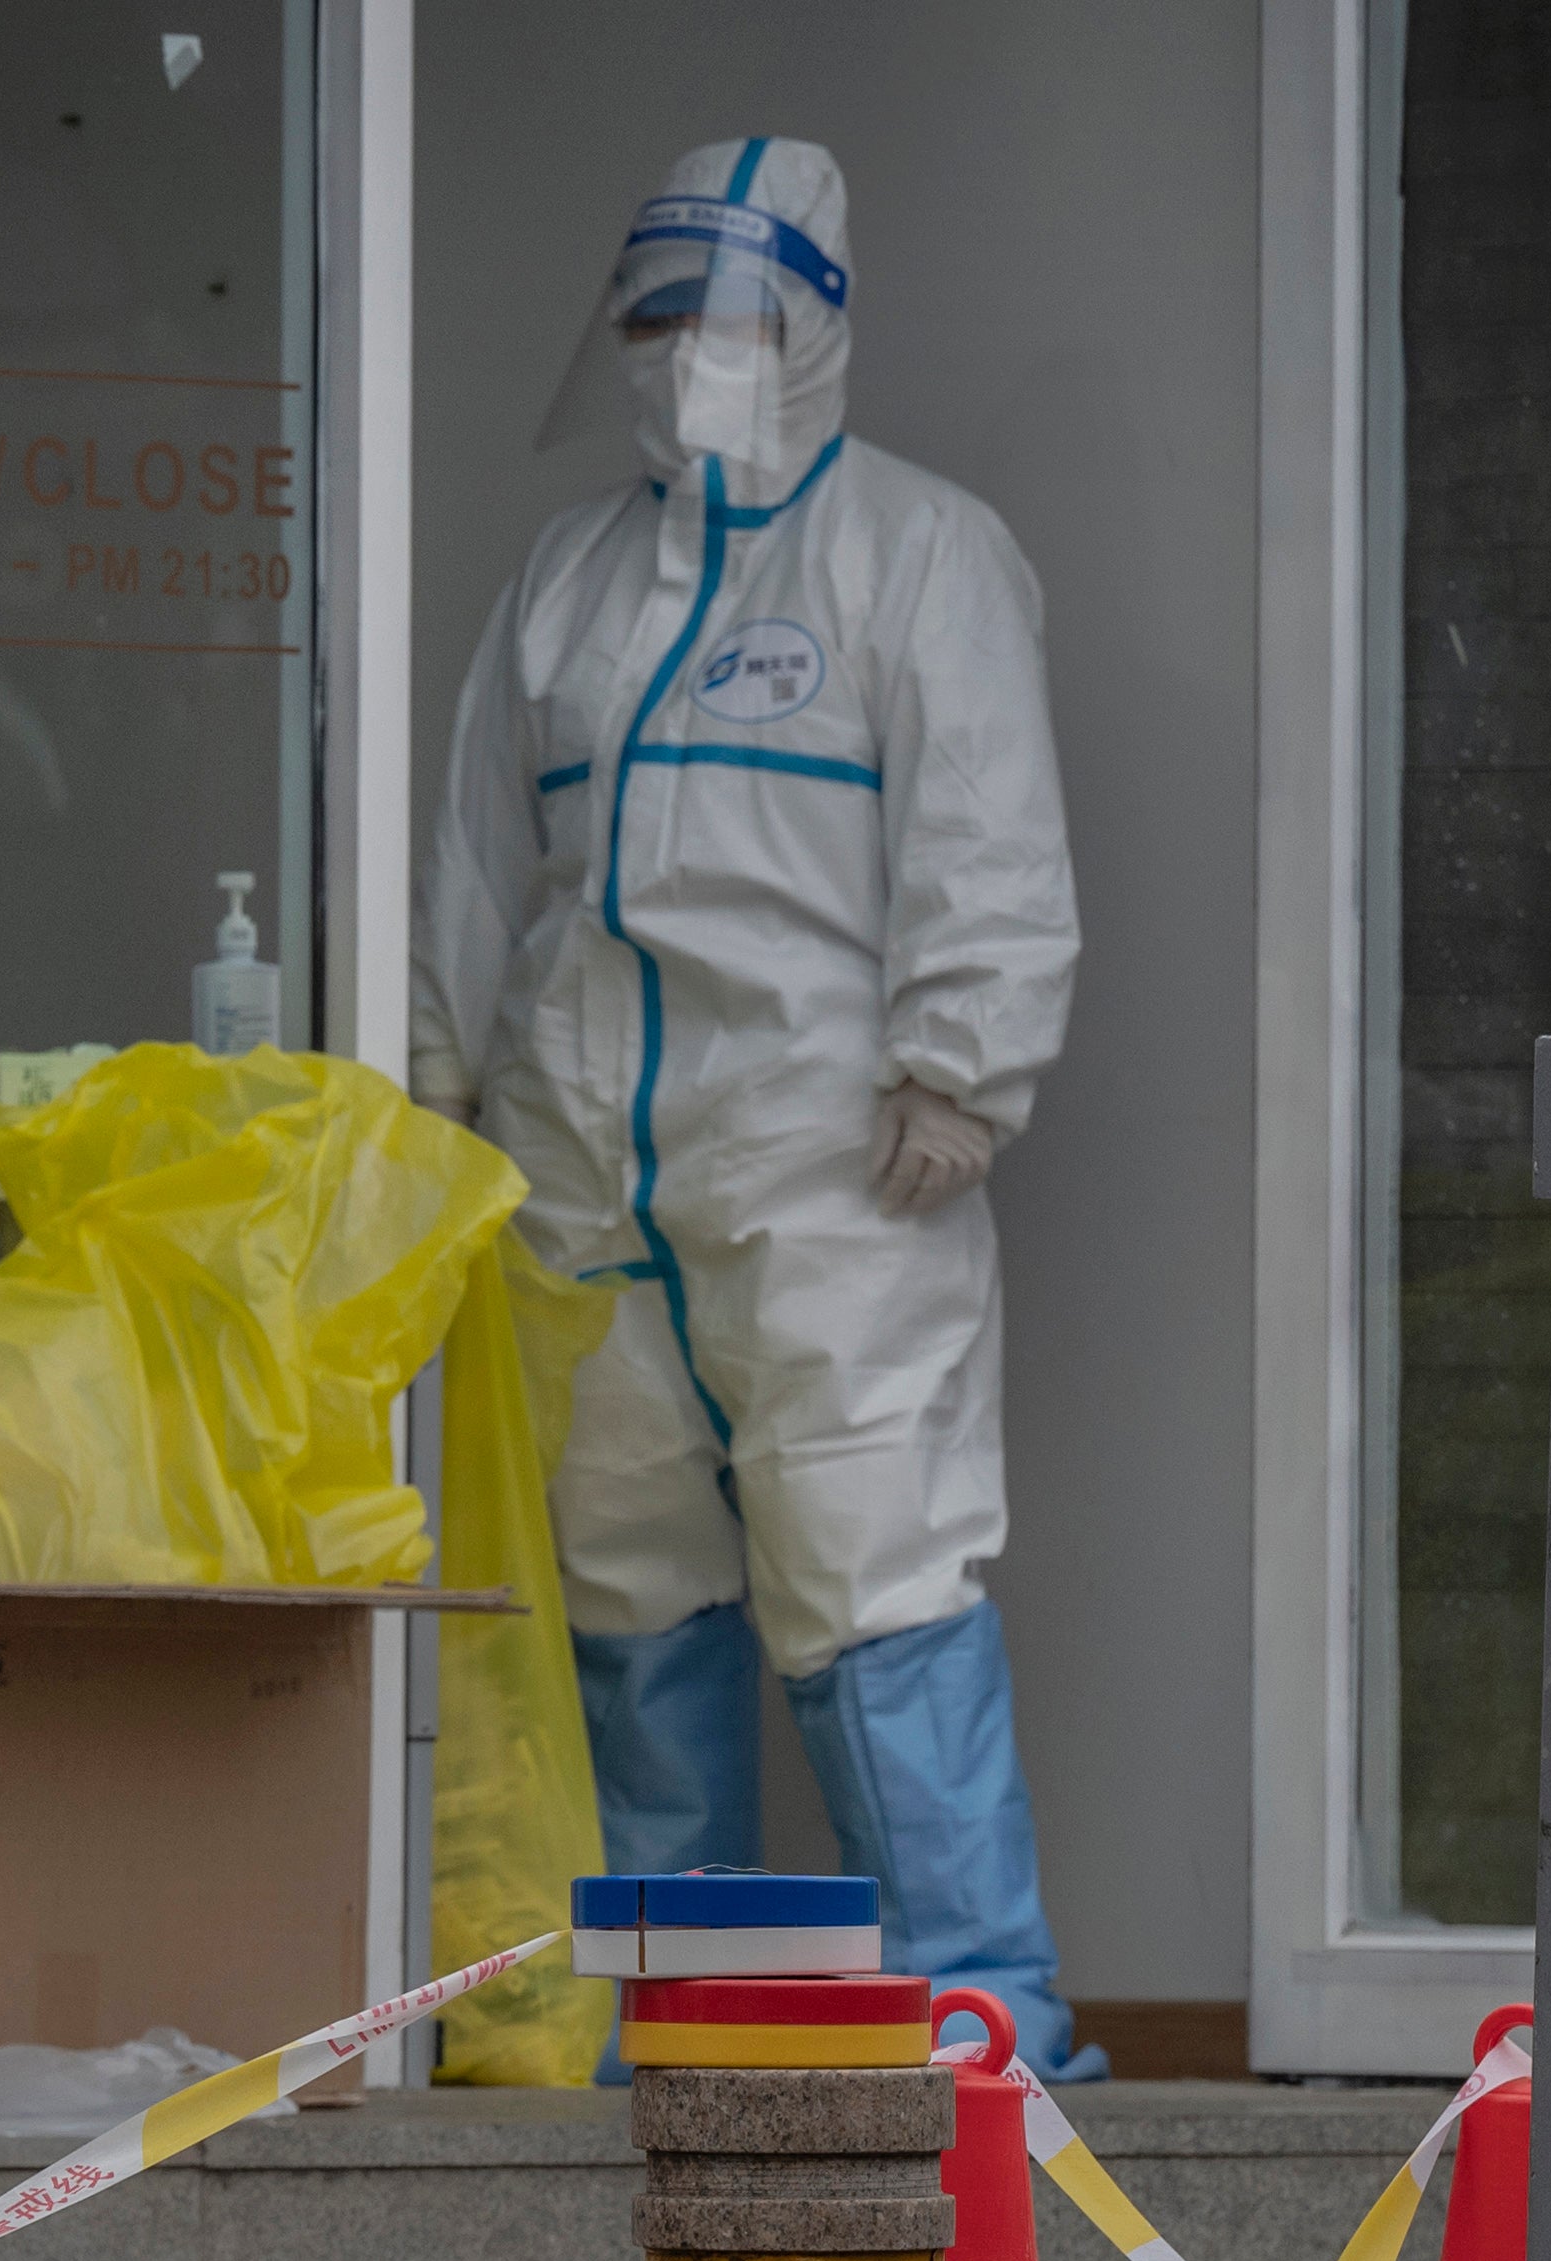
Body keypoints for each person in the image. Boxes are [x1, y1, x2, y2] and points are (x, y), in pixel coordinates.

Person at [412, 137, 1099, 2077]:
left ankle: (982, 2015)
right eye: (648, 313)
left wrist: (960, 1055)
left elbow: (988, 826)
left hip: (826, 1173)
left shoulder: (915, 554)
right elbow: (475, 870)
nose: (676, 350)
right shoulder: (567, 581)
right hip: (578, 1180)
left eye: (715, 313)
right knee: (630, 1608)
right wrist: (429, 1080)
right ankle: (681, 2026)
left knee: (869, 1579)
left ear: (811, 331)